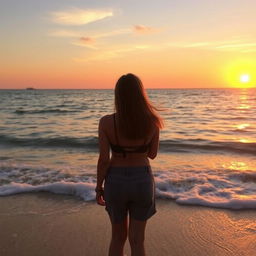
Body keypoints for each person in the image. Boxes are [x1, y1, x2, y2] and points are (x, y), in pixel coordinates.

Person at [96, 73, 163, 256]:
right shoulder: (153, 122)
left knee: (117, 238)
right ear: (140, 94)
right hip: (142, 180)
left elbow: (103, 159)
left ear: (118, 95)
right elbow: (152, 154)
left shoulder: (106, 122)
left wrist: (98, 187)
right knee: (137, 240)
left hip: (115, 181)